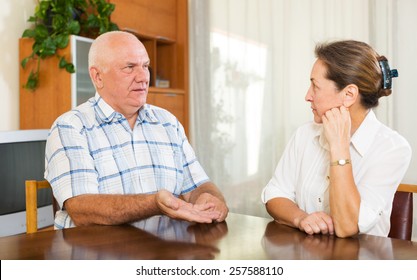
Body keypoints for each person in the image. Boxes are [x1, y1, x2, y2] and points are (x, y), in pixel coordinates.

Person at [45, 31, 228, 229]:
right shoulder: (71, 127)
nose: (143, 77)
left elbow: (198, 185)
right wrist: (154, 203)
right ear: (97, 77)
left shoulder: (168, 123)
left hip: (163, 253)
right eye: (129, 67)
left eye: (145, 66)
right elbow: (82, 209)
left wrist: (210, 200)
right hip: (96, 255)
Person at [261, 40, 411, 238]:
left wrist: (339, 147)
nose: (307, 96)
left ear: (349, 94)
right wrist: (300, 218)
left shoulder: (393, 148)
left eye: (315, 86)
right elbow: (275, 194)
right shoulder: (305, 134)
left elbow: (347, 226)